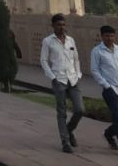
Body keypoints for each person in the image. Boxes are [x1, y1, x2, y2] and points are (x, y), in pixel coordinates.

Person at [39, 13, 83, 153]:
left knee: (80, 110)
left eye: (63, 24)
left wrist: (78, 74)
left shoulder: (71, 40)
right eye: (59, 25)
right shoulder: (48, 41)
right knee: (62, 112)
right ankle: (65, 142)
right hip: (59, 79)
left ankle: (69, 131)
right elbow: (44, 60)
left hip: (73, 79)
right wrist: (52, 77)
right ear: (53, 26)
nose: (62, 27)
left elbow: (76, 58)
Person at [90, 24, 118, 158]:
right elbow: (95, 70)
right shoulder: (97, 51)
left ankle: (108, 133)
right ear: (102, 36)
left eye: (112, 35)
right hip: (110, 89)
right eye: (107, 36)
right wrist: (106, 85)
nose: (110, 38)